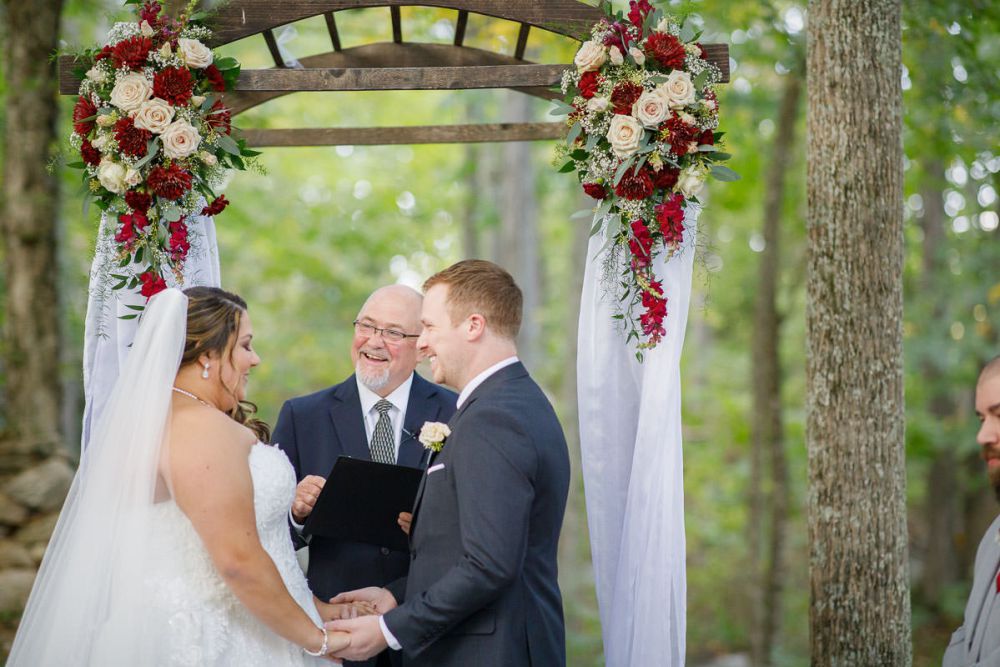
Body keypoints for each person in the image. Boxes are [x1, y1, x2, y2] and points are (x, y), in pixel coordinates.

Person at [9, 287, 368, 665]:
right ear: (208, 355)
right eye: (245, 346)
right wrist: (318, 640)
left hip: (252, 620)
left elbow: (260, 540)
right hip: (211, 637)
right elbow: (237, 560)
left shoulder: (168, 418)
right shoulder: (198, 427)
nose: (255, 359)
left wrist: (317, 609)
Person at [327, 260, 571, 666]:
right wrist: (397, 595)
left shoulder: (496, 416)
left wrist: (390, 630)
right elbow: (475, 546)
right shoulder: (504, 402)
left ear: (473, 326)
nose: (421, 343)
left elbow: (490, 566)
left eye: (430, 328)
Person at [273, 284, 457, 667]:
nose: (374, 341)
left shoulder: (456, 411)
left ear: (421, 345)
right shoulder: (302, 416)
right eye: (367, 326)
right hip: (338, 630)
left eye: (393, 332)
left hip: (429, 632)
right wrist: (296, 514)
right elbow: (270, 541)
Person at [944, 357, 1000, 666]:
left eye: (999, 414)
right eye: (981, 419)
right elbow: (965, 637)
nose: (983, 435)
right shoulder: (993, 536)